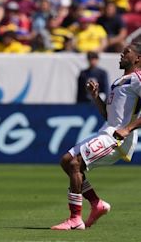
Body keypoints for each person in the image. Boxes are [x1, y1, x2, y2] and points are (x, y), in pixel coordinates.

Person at [51, 42, 141, 230]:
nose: (122, 54)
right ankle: (97, 204)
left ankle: (75, 219)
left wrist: (128, 129)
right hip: (107, 130)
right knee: (66, 161)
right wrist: (95, 97)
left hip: (118, 137)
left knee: (75, 163)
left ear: (138, 58)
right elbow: (109, 116)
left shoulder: (138, 79)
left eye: (127, 52)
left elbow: (122, 123)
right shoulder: (119, 81)